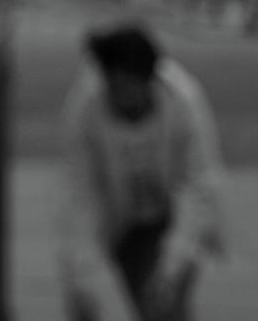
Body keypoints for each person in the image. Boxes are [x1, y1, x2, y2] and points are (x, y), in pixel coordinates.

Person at [58, 24, 224, 321]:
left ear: (149, 80)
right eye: (113, 86)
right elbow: (80, 196)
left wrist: (172, 268)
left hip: (168, 217)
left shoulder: (184, 103)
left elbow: (199, 187)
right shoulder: (84, 111)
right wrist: (85, 278)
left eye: (128, 87)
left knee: (163, 305)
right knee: (86, 303)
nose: (120, 96)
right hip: (116, 218)